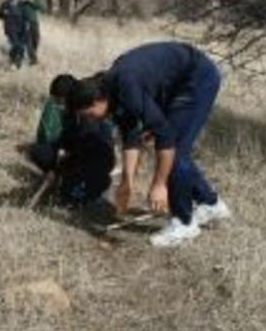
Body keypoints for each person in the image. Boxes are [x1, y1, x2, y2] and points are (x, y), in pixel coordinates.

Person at [66, 42, 231, 247]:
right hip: (179, 83)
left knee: (175, 149)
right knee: (171, 147)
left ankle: (184, 223)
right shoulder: (112, 93)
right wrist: (127, 183)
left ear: (98, 100)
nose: (91, 120)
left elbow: (165, 135)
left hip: (197, 78)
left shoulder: (125, 86)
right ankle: (210, 203)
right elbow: (130, 138)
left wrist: (159, 185)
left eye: (89, 115)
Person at [29, 74, 115, 205]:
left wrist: (61, 166)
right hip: (74, 153)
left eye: (60, 101)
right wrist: (57, 162)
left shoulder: (88, 117)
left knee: (68, 199)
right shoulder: (70, 114)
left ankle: (92, 188)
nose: (58, 106)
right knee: (39, 151)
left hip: (93, 158)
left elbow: (85, 146)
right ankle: (63, 180)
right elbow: (66, 139)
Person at [0, 0, 26, 68]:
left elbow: (25, 14)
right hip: (10, 27)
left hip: (21, 27)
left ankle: (15, 60)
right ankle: (14, 62)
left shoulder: (21, 3)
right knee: (16, 44)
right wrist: (4, 13)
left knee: (21, 46)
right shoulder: (6, 3)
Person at [18, 0, 43, 66]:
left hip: (34, 21)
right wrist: (21, 1)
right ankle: (33, 60)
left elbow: (41, 7)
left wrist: (30, 0)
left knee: (36, 39)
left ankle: (32, 55)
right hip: (24, 21)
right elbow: (15, 7)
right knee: (28, 41)